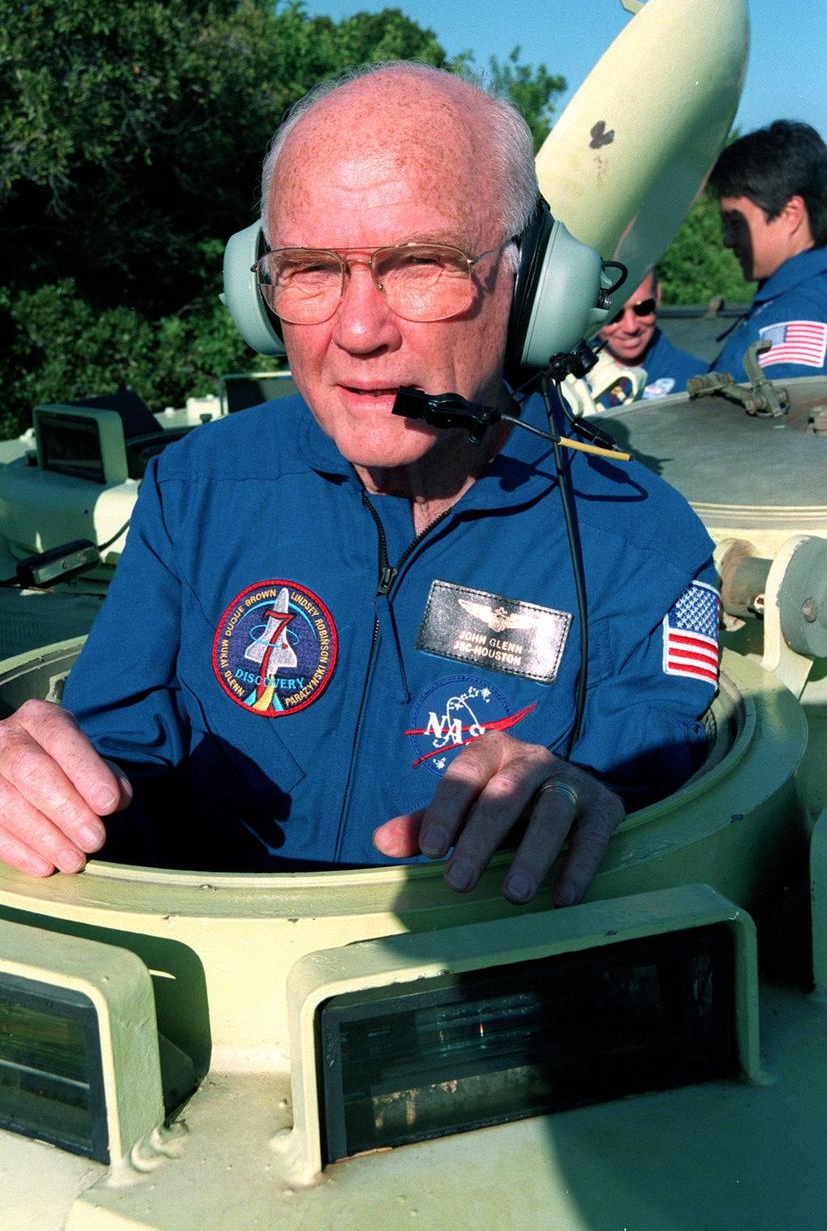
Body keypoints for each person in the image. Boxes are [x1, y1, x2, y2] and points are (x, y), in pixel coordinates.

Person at [0, 63, 719, 907]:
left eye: (420, 264)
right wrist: (43, 781)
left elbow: (646, 783)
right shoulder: (198, 485)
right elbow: (119, 745)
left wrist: (580, 793)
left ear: (532, 288)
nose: (357, 331)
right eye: (309, 270)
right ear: (257, 294)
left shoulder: (643, 545)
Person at [709, 120, 827, 381]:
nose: (728, 240)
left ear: (790, 214)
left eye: (735, 223)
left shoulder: (797, 314)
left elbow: (782, 418)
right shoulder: (796, 298)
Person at [588, 271, 703, 406]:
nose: (631, 328)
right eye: (613, 314)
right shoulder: (565, 379)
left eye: (643, 308)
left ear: (658, 295)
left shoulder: (695, 378)